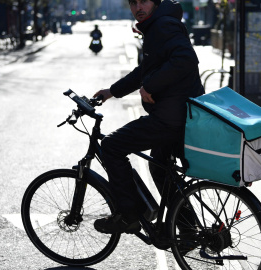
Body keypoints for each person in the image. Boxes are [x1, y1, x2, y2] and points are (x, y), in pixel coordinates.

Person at [93, 0, 204, 234]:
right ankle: (187, 230)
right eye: (133, 2)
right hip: (179, 114)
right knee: (160, 168)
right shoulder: (158, 25)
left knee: (111, 146)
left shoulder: (162, 26)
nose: (138, 7)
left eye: (144, 1)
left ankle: (128, 216)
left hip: (170, 117)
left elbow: (186, 59)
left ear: (156, 3)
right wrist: (111, 92)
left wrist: (150, 86)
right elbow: (143, 71)